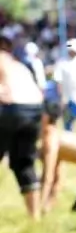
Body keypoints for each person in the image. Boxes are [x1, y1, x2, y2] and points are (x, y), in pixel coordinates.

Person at [0, 34, 45, 219]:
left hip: (12, 108)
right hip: (34, 110)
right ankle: (34, 217)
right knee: (24, 164)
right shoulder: (18, 64)